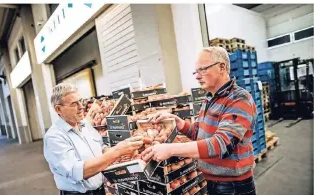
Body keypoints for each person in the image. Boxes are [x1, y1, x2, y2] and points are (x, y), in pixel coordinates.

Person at [142, 47, 257, 195]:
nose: (197, 76)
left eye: (202, 69)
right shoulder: (209, 98)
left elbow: (221, 144)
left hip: (234, 186)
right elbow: (200, 133)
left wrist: (170, 149)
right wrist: (180, 124)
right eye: (195, 71)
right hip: (213, 183)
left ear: (222, 67)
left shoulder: (239, 99)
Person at [44, 83, 143, 195]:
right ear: (58, 109)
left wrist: (126, 148)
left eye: (80, 101)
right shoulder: (54, 137)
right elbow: (78, 172)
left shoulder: (85, 124)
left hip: (100, 190)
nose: (81, 107)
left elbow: (101, 148)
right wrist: (117, 151)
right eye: (74, 104)